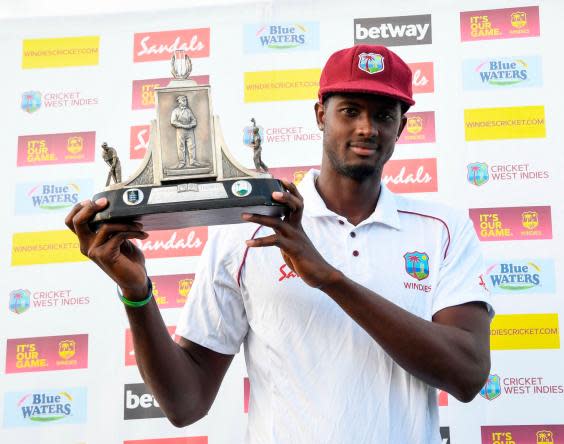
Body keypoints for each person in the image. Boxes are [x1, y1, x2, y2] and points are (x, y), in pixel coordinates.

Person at [66, 45, 493, 443]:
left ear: (401, 126)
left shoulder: (441, 230)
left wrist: (330, 280)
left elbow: (468, 374)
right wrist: (136, 294)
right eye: (350, 111)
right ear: (320, 115)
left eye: (383, 115)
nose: (367, 128)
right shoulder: (246, 230)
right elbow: (185, 403)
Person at [170, 95, 205, 168]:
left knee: (192, 146)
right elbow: (173, 121)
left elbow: (194, 120)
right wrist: (182, 125)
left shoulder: (188, 111)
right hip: (180, 131)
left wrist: (190, 125)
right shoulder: (175, 111)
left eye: (186, 100)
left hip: (189, 131)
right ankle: (182, 162)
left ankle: (193, 161)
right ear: (179, 101)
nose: (185, 102)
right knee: (181, 146)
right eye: (183, 100)